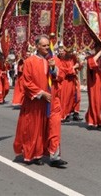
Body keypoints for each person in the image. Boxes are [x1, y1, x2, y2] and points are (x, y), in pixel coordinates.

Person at [14, 35, 64, 167]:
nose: (47, 48)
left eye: (48, 45)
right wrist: (41, 93)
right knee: (33, 129)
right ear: (37, 46)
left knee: (47, 129)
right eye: (44, 45)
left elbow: (60, 77)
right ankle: (31, 154)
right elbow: (26, 82)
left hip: (50, 102)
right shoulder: (29, 61)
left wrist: (53, 68)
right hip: (35, 102)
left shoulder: (52, 60)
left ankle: (47, 154)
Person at [85, 47, 101, 131]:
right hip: (94, 84)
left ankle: (90, 117)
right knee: (95, 102)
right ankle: (97, 122)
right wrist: (99, 53)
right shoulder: (90, 58)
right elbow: (91, 64)